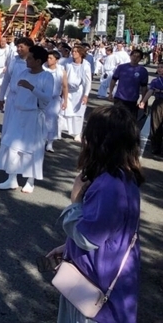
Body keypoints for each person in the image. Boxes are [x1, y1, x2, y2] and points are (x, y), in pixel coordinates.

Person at [47, 105, 143, 323]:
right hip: (99, 278)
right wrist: (67, 247)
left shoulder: (108, 185)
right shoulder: (123, 178)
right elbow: (110, 231)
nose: (84, 140)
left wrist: (75, 201)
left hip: (94, 286)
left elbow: (88, 236)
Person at [0, 45, 53, 193]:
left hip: (33, 116)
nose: (27, 60)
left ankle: (30, 180)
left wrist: (32, 88)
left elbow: (47, 97)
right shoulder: (24, 73)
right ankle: (11, 178)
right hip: (19, 114)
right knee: (12, 146)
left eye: (31, 58)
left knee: (32, 149)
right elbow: (16, 92)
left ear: (39, 61)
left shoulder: (47, 76)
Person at [62, 45, 92, 142]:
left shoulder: (86, 65)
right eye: (73, 51)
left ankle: (78, 133)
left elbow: (88, 82)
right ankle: (62, 129)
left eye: (76, 51)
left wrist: (86, 95)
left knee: (78, 113)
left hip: (79, 92)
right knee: (65, 110)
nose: (73, 53)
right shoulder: (68, 63)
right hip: (67, 91)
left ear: (81, 53)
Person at [108, 49, 149, 120]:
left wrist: (143, 100)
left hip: (132, 100)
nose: (135, 58)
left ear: (140, 59)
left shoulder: (142, 71)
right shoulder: (121, 67)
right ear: (130, 56)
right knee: (116, 119)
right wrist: (110, 92)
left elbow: (144, 87)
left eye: (138, 57)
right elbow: (113, 80)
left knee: (129, 121)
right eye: (133, 56)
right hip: (119, 98)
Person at [43, 50, 68, 153]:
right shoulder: (43, 69)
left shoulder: (61, 71)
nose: (48, 60)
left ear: (56, 60)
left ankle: (50, 142)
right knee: (41, 119)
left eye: (51, 58)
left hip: (54, 100)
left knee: (52, 120)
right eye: (48, 58)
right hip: (42, 99)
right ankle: (40, 139)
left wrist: (65, 100)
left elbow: (65, 86)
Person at [138, 62, 163, 155]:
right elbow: (150, 91)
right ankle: (156, 148)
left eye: (162, 67)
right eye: (159, 67)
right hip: (158, 103)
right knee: (155, 125)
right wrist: (143, 101)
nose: (160, 69)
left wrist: (160, 90)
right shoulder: (156, 81)